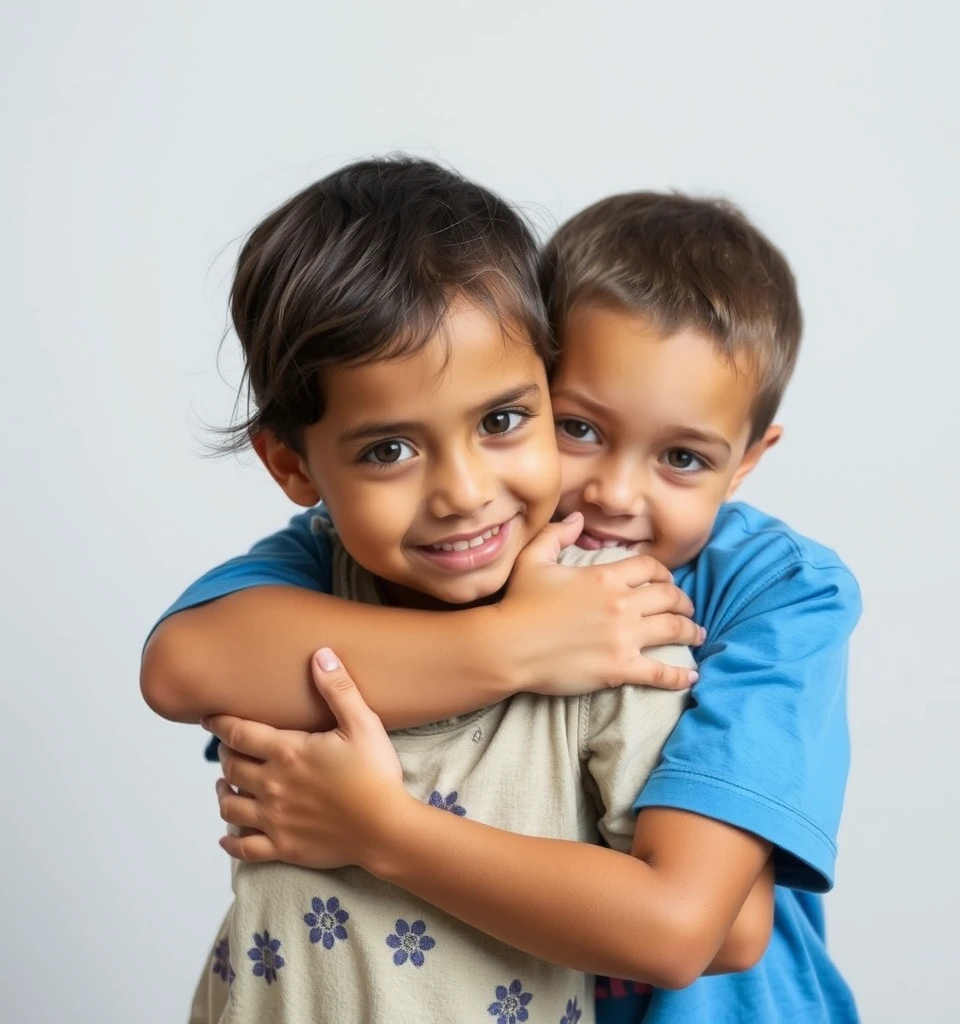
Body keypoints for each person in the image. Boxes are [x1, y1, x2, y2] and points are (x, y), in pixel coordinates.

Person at [143, 156, 773, 1024]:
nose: (463, 491)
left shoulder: (619, 620)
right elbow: (176, 670)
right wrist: (514, 646)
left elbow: (708, 926)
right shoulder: (318, 584)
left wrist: (382, 829)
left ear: (553, 398)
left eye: (502, 421)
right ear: (293, 464)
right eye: (388, 450)